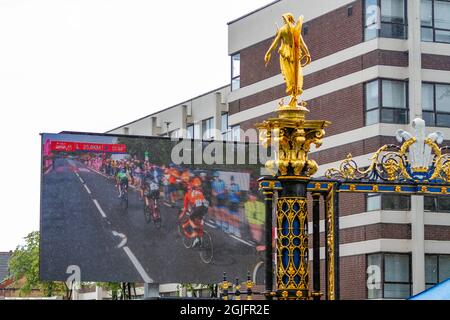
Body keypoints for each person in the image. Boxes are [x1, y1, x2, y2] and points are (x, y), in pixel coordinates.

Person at [264, 13, 311, 106]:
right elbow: (302, 43)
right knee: (294, 74)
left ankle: (293, 92)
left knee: (288, 73)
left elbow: (275, 44)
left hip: (286, 54)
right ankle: (294, 93)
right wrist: (308, 53)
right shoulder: (295, 29)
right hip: (294, 53)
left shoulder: (283, 30)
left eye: (284, 20)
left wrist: (268, 53)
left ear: (286, 19)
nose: (283, 21)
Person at [179, 177, 209, 247]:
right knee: (198, 219)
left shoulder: (187, 195)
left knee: (191, 219)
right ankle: (198, 239)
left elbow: (185, 209)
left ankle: (195, 229)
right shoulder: (198, 191)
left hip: (199, 207)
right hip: (205, 206)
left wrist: (181, 216)